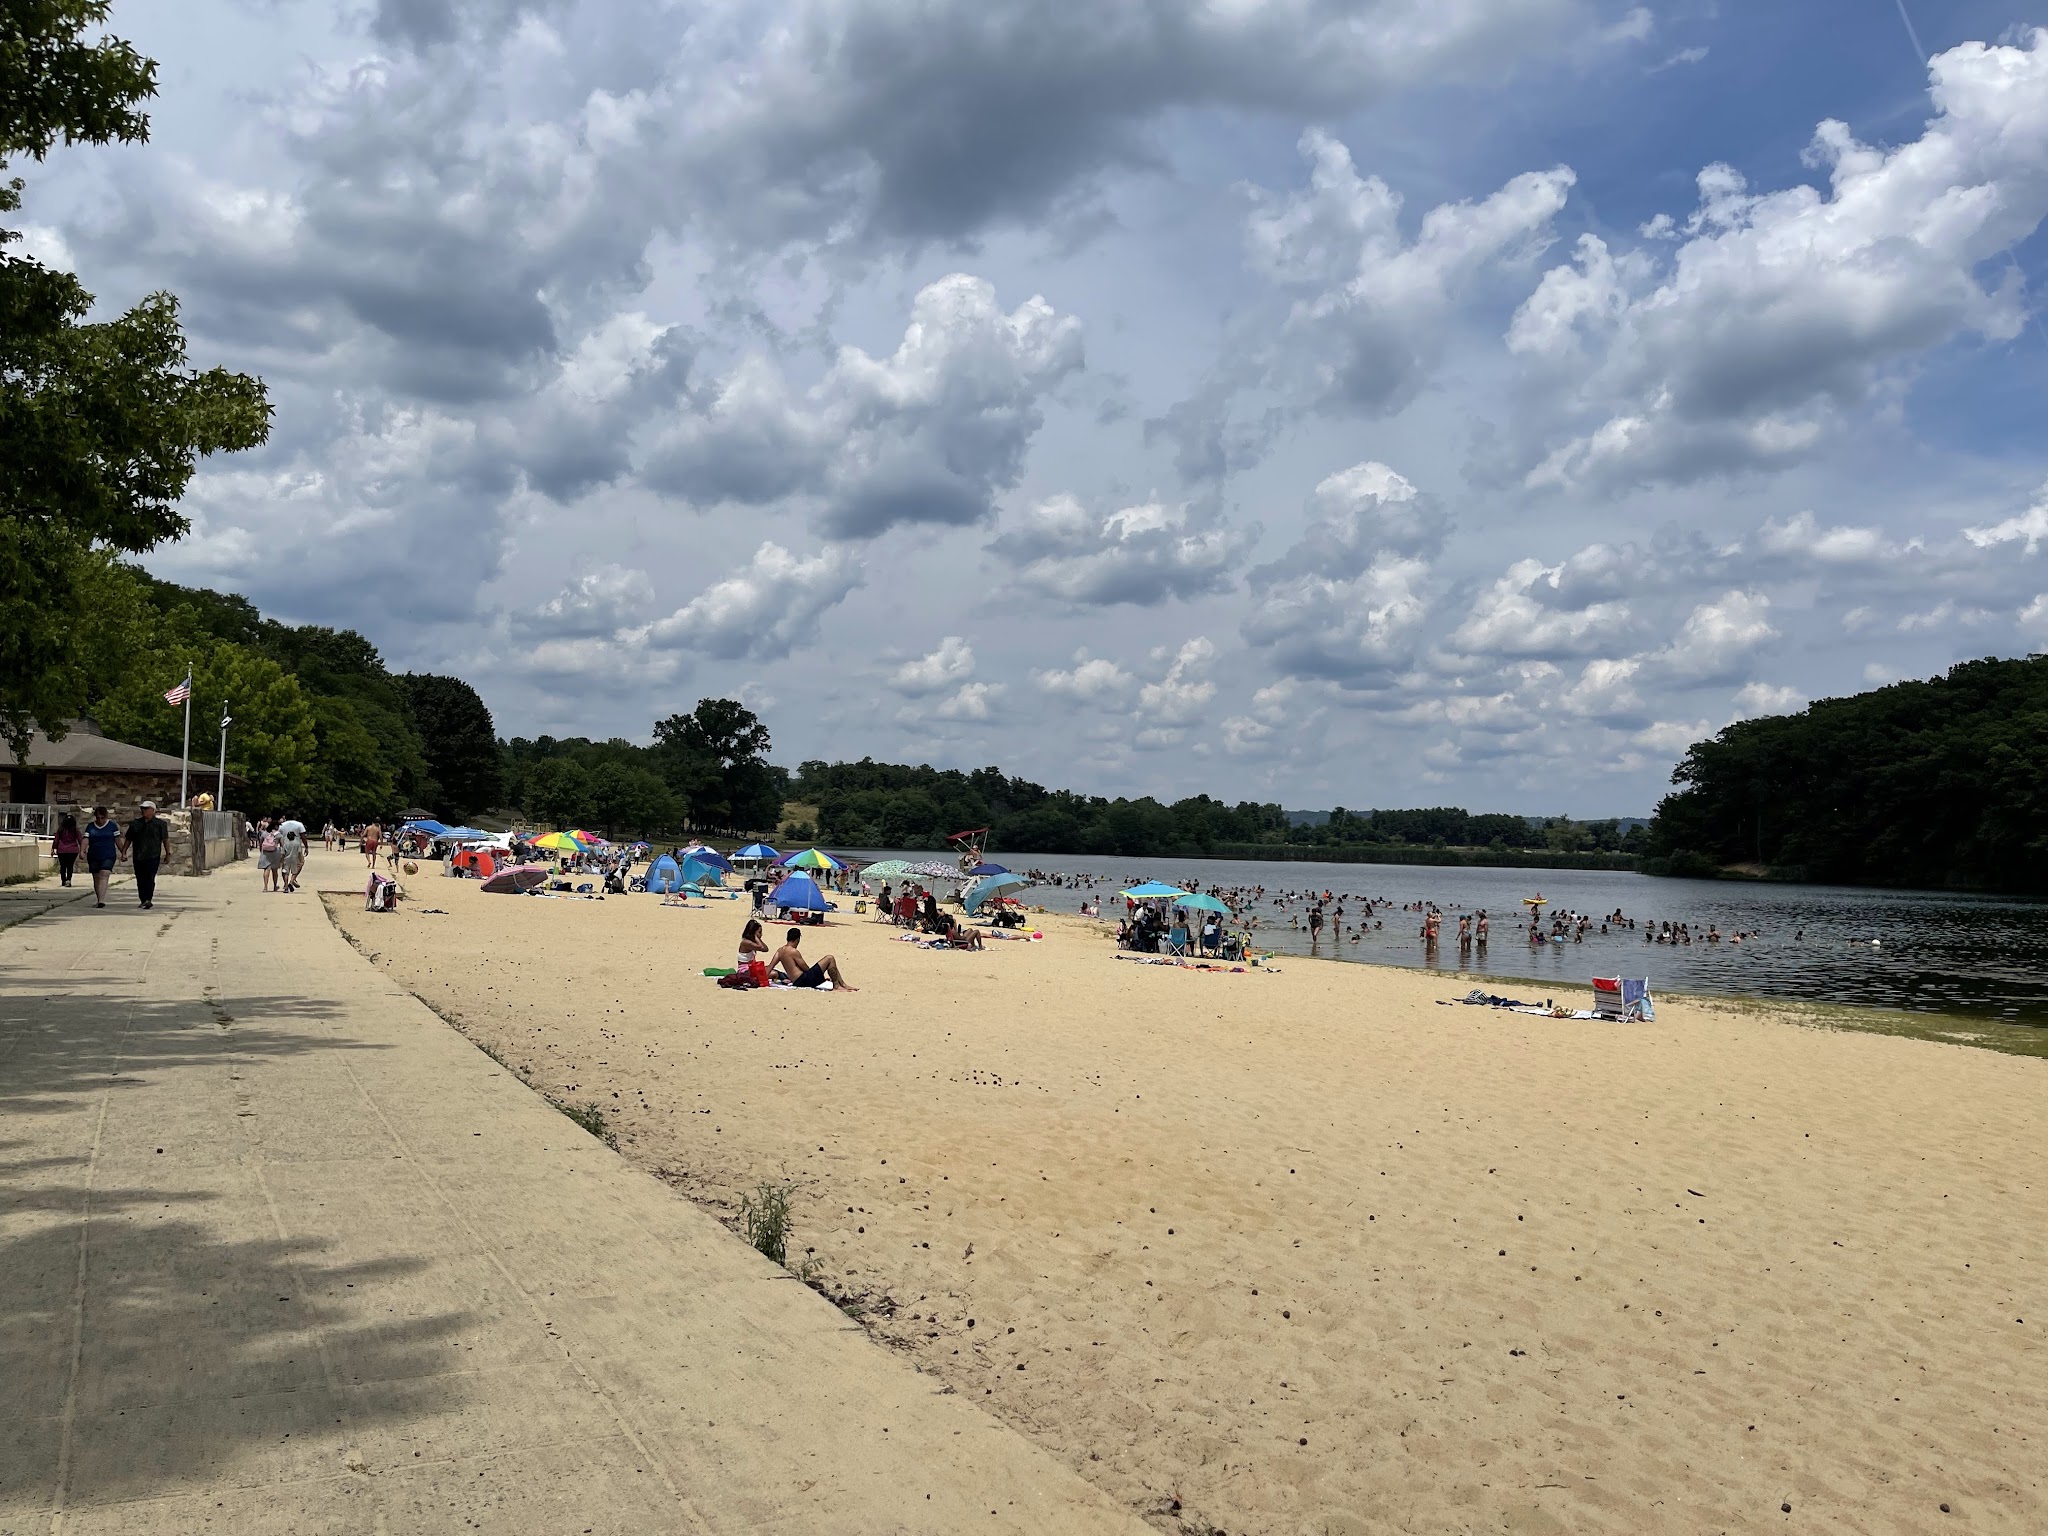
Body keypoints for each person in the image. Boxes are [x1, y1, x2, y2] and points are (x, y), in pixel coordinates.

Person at [120, 800, 172, 911]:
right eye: (142, 809)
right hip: (138, 855)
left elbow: (165, 840)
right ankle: (143, 899)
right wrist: (124, 852)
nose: (143, 811)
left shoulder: (160, 824)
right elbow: (129, 839)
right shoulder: (135, 824)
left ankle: (148, 899)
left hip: (153, 856)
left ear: (153, 810)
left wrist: (168, 854)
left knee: (150, 877)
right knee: (140, 878)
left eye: (146, 809)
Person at [770, 927, 855, 990]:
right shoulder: (793, 951)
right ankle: (837, 986)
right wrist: (818, 975)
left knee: (829, 960)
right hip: (804, 980)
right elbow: (805, 968)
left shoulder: (780, 951)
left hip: (797, 981)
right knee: (830, 958)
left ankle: (843, 984)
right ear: (797, 940)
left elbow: (771, 966)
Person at [83, 807, 121, 907]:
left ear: (106, 817)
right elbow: (86, 839)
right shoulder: (90, 826)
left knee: (104, 874)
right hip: (94, 855)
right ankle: (99, 898)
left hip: (108, 854)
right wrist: (82, 851)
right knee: (96, 877)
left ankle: (102, 900)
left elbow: (117, 840)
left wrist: (123, 851)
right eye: (98, 817)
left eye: (102, 818)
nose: (100, 820)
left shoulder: (112, 826)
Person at [276, 815, 308, 892]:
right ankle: (293, 880)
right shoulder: (299, 824)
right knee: (300, 864)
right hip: (296, 848)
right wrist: (306, 847)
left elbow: (278, 836)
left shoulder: (282, 825)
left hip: (285, 847)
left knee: (285, 870)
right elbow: (303, 837)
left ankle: (286, 885)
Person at [737, 917, 771, 985]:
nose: (761, 934)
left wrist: (757, 938)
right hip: (744, 970)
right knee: (772, 973)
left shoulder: (751, 942)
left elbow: (766, 949)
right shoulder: (746, 942)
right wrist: (756, 937)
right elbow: (761, 947)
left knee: (769, 970)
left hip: (751, 967)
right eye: (759, 932)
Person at [51, 814, 82, 887]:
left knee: (63, 866)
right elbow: (80, 839)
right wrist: (83, 849)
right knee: (70, 865)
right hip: (73, 850)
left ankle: (63, 880)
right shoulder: (75, 830)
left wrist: (53, 848)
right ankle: (68, 880)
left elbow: (56, 839)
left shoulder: (61, 829)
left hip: (62, 850)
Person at [256, 818, 282, 891]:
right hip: (275, 852)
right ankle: (275, 886)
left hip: (265, 852)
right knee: (274, 870)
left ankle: (265, 887)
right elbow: (282, 844)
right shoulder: (278, 834)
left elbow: (260, 842)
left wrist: (261, 850)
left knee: (266, 869)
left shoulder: (264, 833)